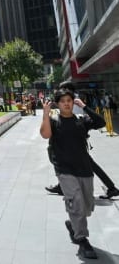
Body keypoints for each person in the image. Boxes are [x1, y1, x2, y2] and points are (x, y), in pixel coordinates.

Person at [41, 88, 105, 259]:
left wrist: (84, 107)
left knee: (87, 206)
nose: (67, 103)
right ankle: (82, 240)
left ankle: (73, 223)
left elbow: (101, 123)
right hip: (64, 169)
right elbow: (45, 134)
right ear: (58, 104)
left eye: (69, 100)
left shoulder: (81, 120)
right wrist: (45, 114)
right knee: (76, 202)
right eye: (63, 101)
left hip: (84, 169)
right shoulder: (54, 121)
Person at [44, 80, 119, 200]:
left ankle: (111, 188)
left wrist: (83, 107)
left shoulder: (75, 102)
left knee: (83, 164)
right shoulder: (71, 100)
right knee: (66, 161)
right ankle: (62, 185)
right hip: (70, 140)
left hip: (75, 140)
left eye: (62, 90)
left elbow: (86, 121)